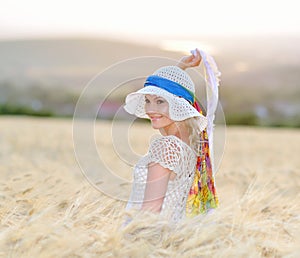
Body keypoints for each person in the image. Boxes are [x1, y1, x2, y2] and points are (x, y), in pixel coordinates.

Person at [124, 49, 219, 223]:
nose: (151, 109)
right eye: (148, 101)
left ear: (178, 105)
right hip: (171, 236)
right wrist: (180, 68)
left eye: (160, 101)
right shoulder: (192, 141)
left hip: (150, 242)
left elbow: (149, 215)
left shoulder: (167, 147)